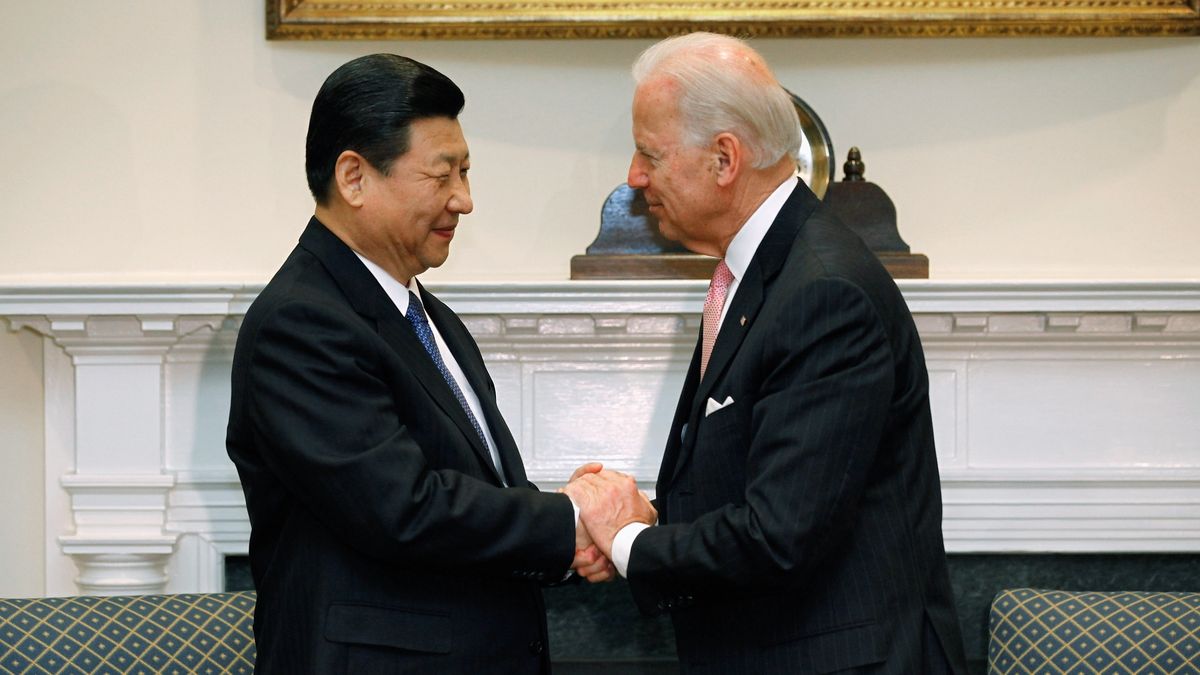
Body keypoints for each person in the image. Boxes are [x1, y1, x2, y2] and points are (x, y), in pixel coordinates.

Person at [225, 53, 649, 673]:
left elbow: (470, 496)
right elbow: (403, 509)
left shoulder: (427, 315)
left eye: (466, 172)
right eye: (442, 175)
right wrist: (573, 518)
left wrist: (570, 536)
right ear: (354, 177)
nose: (464, 200)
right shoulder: (300, 323)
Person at [567, 33, 969, 673]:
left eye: (650, 153)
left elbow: (780, 535)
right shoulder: (765, 270)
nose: (634, 175)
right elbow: (766, 484)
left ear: (724, 159)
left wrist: (626, 541)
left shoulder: (824, 292)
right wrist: (654, 525)